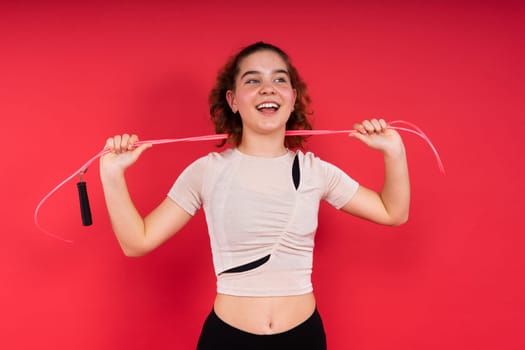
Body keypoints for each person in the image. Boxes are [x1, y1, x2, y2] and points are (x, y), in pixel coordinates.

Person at [99, 42, 410, 349]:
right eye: (253, 80)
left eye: (279, 79)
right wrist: (112, 175)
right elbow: (136, 242)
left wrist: (393, 152)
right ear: (232, 100)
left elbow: (392, 212)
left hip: (303, 338)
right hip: (227, 339)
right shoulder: (207, 171)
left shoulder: (316, 171)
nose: (268, 88)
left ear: (292, 98)